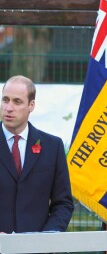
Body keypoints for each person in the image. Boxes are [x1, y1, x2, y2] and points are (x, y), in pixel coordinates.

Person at [0, 75, 74, 233]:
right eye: (5, 100)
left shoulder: (52, 147)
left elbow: (63, 203)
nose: (9, 108)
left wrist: (48, 237)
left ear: (31, 105)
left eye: (17, 101)